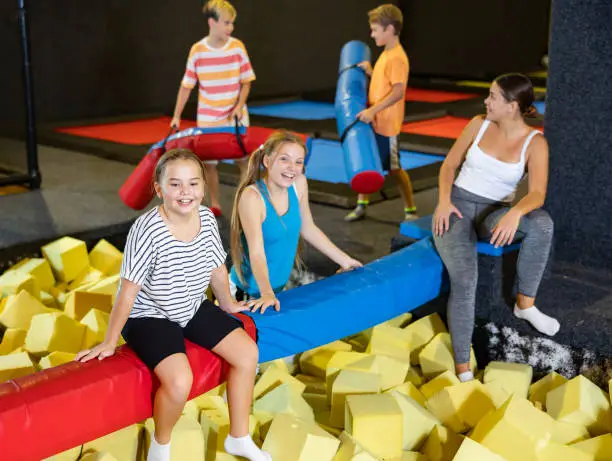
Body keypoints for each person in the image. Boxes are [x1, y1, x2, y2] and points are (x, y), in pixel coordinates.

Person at [76, 149, 271, 461]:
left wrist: (228, 304)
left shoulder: (206, 218)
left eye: (193, 184)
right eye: (176, 184)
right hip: (149, 315)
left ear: (204, 187)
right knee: (180, 381)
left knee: (248, 353)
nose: (186, 192)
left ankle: (239, 437)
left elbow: (216, 268)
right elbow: (127, 292)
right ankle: (160, 447)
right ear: (159, 189)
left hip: (191, 305)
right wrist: (110, 342)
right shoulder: (147, 230)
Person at [432, 73, 558, 383]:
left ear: (512, 106)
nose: (486, 102)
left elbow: (538, 193)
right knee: (465, 281)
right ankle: (463, 369)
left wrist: (515, 213)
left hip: (496, 213)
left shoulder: (535, 142)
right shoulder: (478, 124)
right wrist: (443, 201)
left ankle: (525, 305)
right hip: (458, 208)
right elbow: (449, 165)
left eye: (493, 97)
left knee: (542, 224)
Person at [229, 131, 363, 313]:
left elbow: (308, 228)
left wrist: (346, 261)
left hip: (277, 288)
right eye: (284, 159)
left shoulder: (298, 184)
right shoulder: (252, 198)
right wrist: (266, 293)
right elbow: (257, 252)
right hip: (246, 292)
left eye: (298, 162)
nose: (292, 167)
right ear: (267, 162)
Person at [170, 0, 255, 217]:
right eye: (226, 23)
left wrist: (238, 106)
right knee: (209, 165)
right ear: (212, 23)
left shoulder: (237, 47)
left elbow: (247, 81)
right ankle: (215, 204)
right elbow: (186, 85)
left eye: (232, 23)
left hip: (234, 117)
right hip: (208, 118)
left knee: (244, 162)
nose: (231, 28)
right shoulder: (197, 50)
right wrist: (176, 116)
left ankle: (242, 205)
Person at [345, 4, 417, 223]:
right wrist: (371, 71)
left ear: (390, 29)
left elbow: (397, 93)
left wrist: (372, 110)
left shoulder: (397, 57)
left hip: (387, 124)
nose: (372, 34)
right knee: (367, 162)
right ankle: (362, 204)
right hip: (375, 120)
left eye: (375, 29)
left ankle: (411, 210)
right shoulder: (386, 54)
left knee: (394, 168)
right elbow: (384, 82)